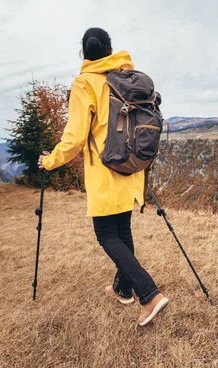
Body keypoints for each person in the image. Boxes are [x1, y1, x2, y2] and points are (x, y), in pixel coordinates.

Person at [38, 27, 169, 326]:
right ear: (110, 50)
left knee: (107, 235)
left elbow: (74, 139)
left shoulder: (86, 83)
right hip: (133, 168)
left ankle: (149, 294)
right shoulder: (127, 77)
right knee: (122, 232)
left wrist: (50, 161)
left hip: (106, 172)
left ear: (84, 53)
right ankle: (123, 290)